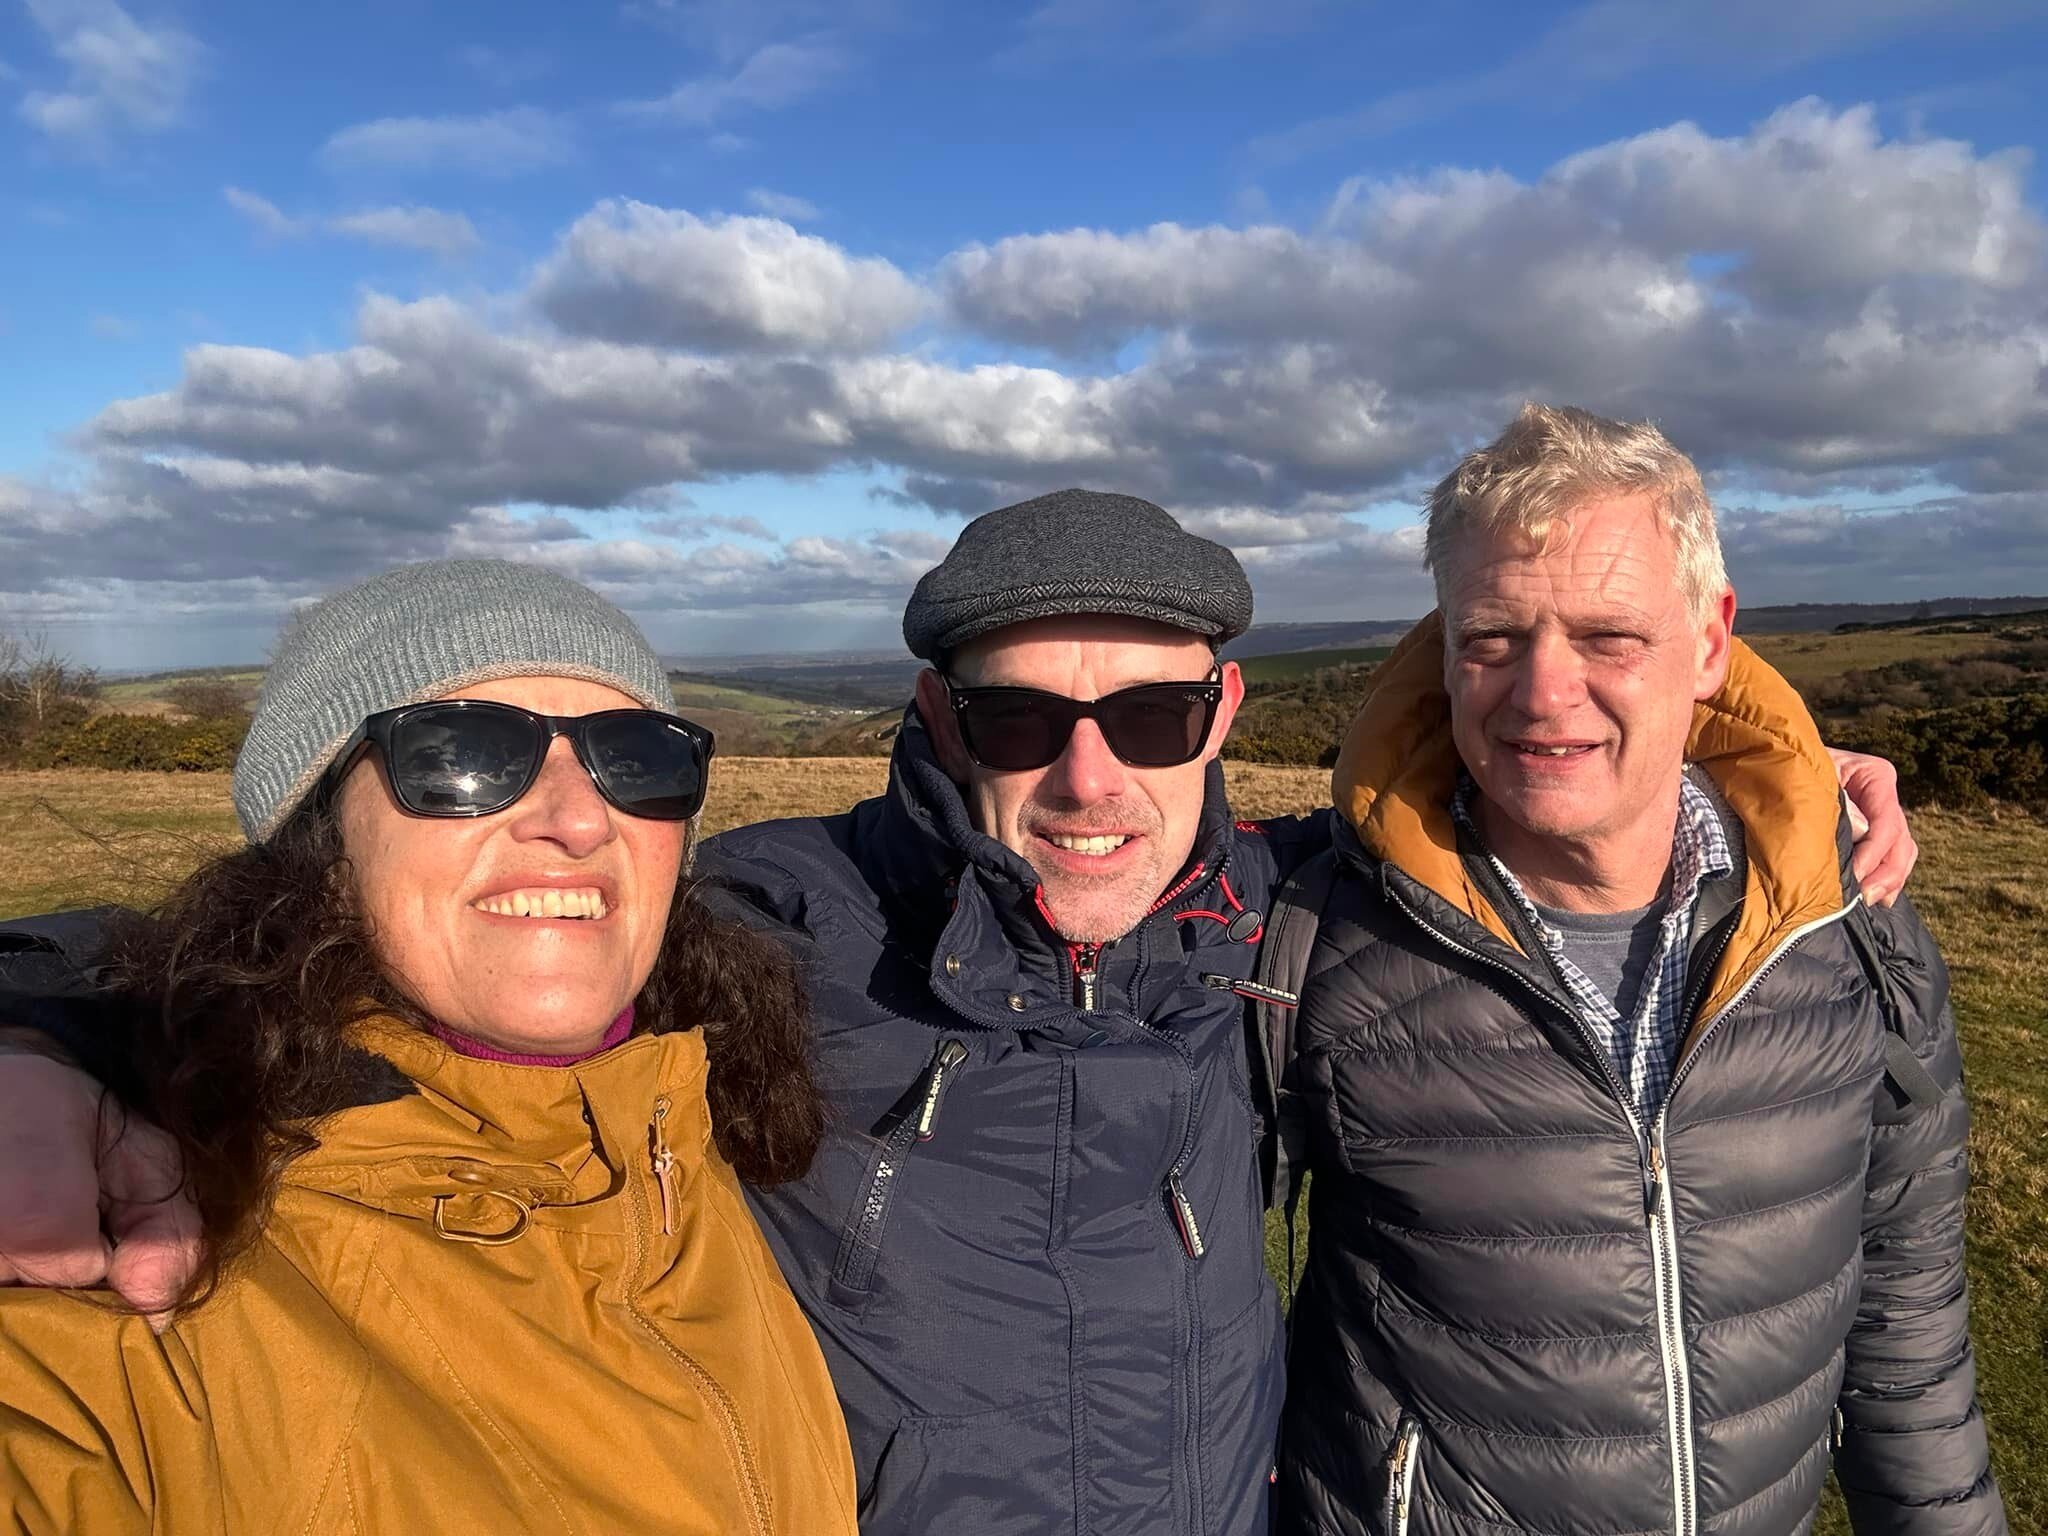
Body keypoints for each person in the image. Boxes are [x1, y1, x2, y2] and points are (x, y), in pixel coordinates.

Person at [0, 494, 1921, 1536]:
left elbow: (1538, 807)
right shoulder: (771, 923)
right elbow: (353, 936)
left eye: (1151, 719)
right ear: (935, 728)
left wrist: (1762, 773)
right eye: (1018, 720)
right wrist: (30, 1038)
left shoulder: (1286, 910)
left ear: (1225, 724)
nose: (1089, 779)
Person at [0, 560, 858, 1534]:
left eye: (639, 757)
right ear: (319, 839)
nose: (577, 820)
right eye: (463, 753)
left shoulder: (708, 1131)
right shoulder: (141, 1251)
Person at [1273, 407, 2003, 1536]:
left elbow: (1905, 1325)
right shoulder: (1318, 930)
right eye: (1491, 639)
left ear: (1709, 643)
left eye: (1607, 637)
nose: (1540, 694)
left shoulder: (1852, 923)